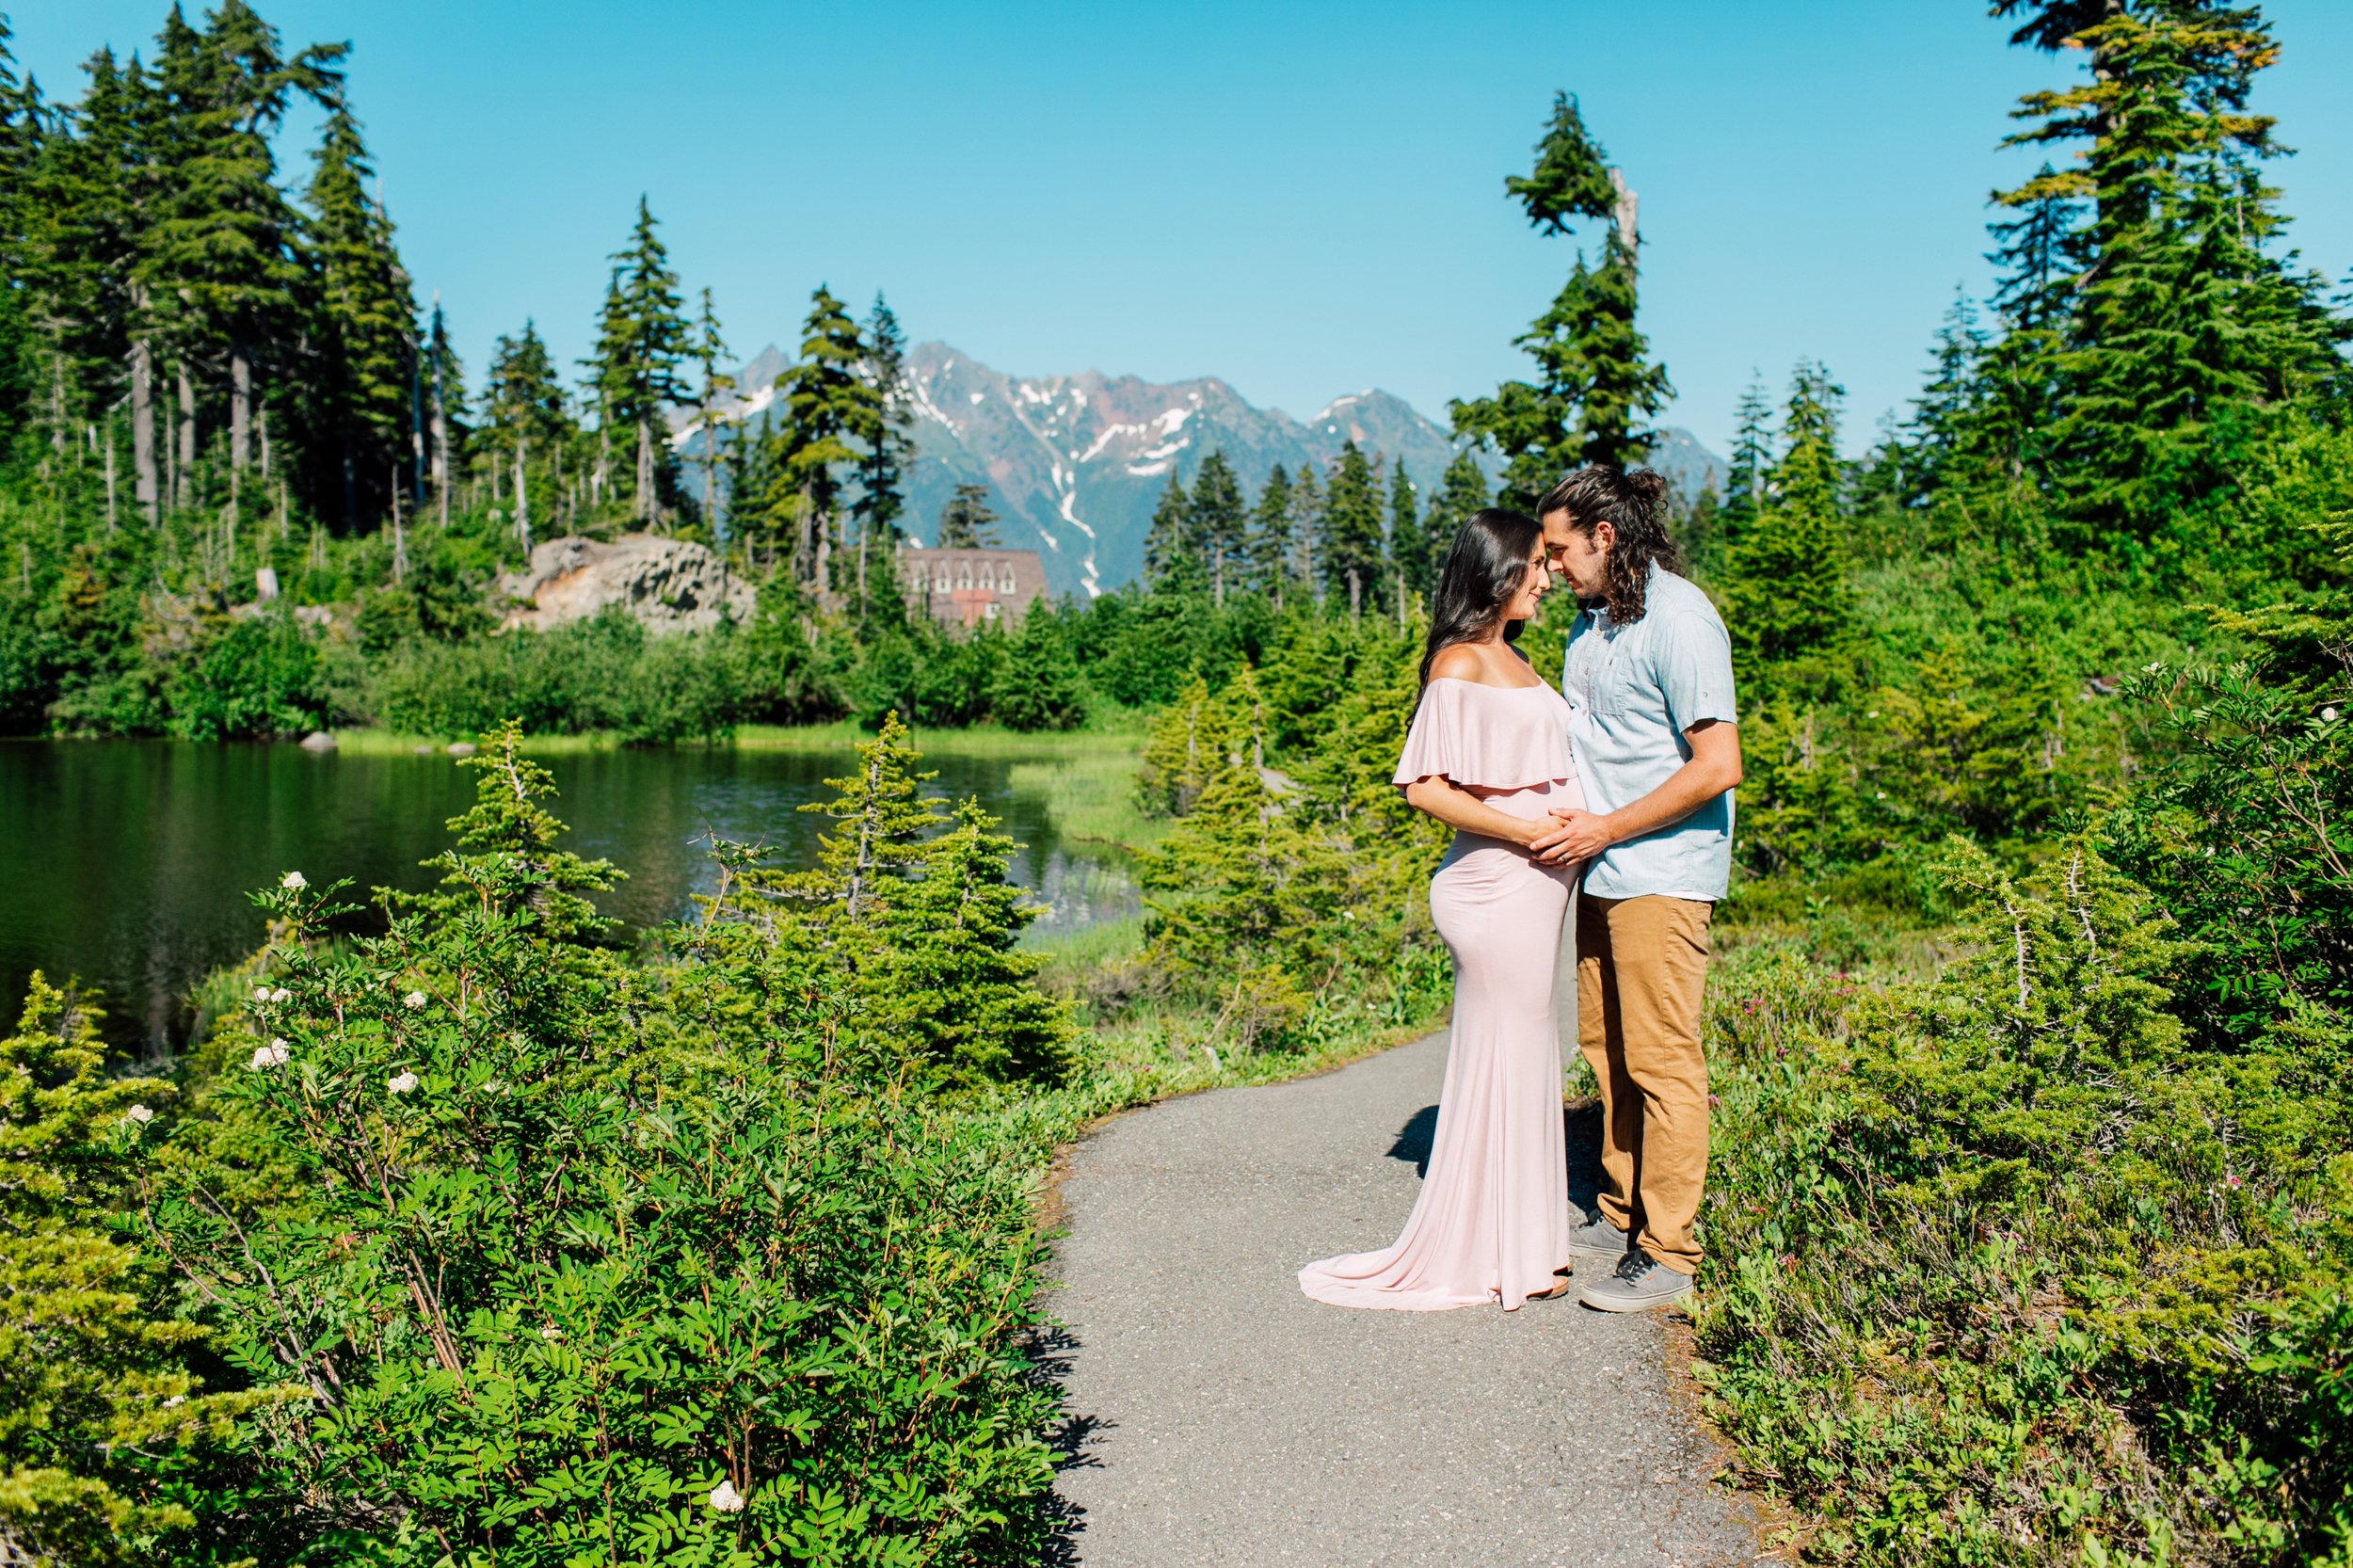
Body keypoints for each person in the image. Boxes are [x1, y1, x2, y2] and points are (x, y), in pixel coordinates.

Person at [1298, 508, 1587, 1312]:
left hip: (1532, 881)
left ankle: (1520, 1242)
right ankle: (1498, 1249)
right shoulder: (1460, 661)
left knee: (1526, 1052)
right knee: (1513, 1048)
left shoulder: (1512, 657)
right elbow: (1426, 786)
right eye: (1533, 565)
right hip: (1496, 882)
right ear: (1495, 572)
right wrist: (1530, 829)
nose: (1545, 577)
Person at [1529, 466, 1741, 1313]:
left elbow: (1718, 766)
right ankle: (1621, 1213)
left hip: (1661, 872)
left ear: (1604, 537)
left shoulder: (1681, 623)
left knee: (1660, 1059)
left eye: (1559, 551)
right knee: (1607, 1051)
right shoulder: (1591, 627)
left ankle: (1670, 1256)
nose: (1551, 570)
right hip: (1602, 870)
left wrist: (1608, 828)